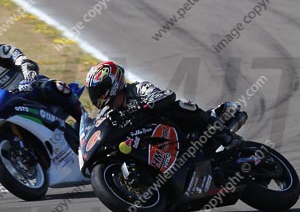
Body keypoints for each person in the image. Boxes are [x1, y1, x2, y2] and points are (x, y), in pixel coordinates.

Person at [84, 61, 243, 150]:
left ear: (112, 83)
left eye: (99, 91)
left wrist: (144, 106)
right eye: (94, 93)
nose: (97, 96)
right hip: (152, 144)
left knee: (182, 105)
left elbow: (166, 95)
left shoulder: (138, 89)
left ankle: (225, 136)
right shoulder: (109, 113)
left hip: (175, 129)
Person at [0, 21, 83, 123]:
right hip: (2, 107)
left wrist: (28, 79)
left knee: (56, 87)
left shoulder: (1, 51)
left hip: (28, 92)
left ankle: (85, 122)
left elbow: (25, 62)